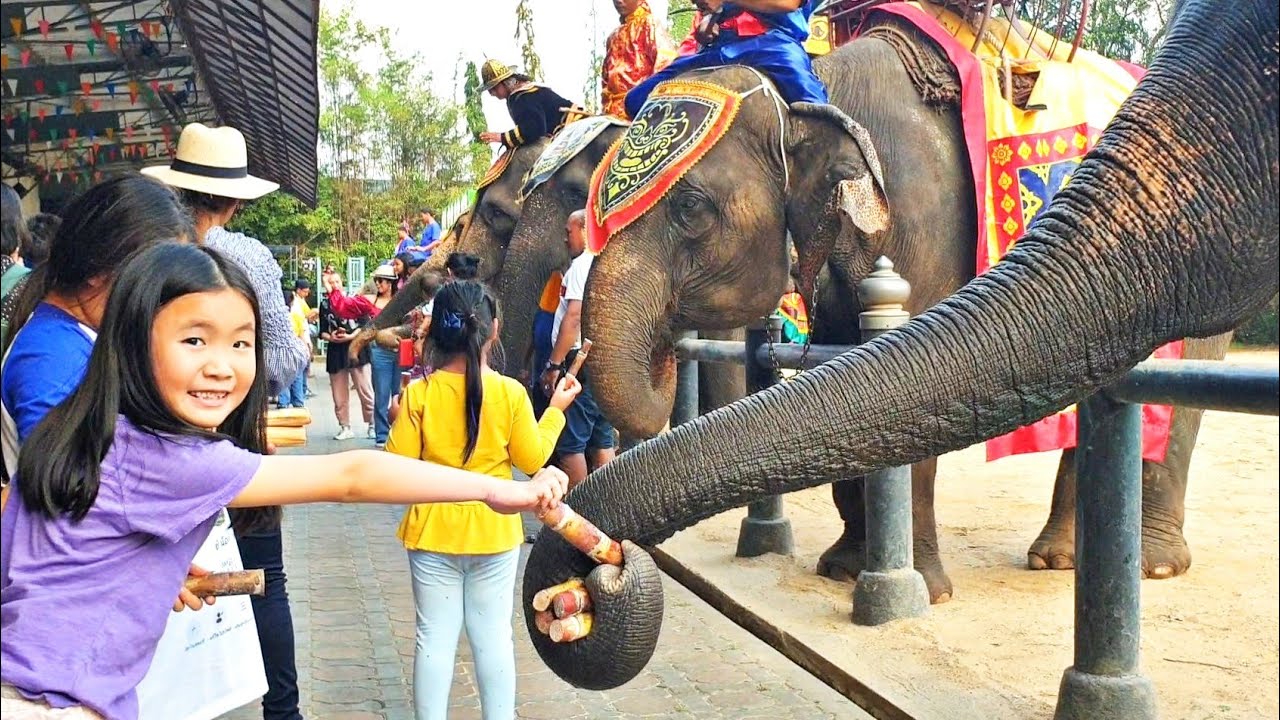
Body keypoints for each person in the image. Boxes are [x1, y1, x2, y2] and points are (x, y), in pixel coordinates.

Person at [0, 242, 569, 720]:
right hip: (59, 706)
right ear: (130, 339)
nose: (222, 364)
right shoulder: (177, 461)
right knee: (488, 639)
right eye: (193, 339)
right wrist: (498, 489)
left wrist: (137, 564)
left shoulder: (80, 430)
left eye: (240, 342)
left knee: (434, 638)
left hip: (23, 685)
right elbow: (351, 475)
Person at [141, 122, 311, 720]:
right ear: (236, 200)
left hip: (153, 442)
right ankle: (281, 711)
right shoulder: (247, 258)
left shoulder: (143, 258)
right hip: (237, 437)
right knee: (266, 578)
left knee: (161, 573)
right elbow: (287, 357)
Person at [386, 279, 580, 720]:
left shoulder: (419, 394)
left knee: (432, 637)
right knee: (492, 636)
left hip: (432, 532)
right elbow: (532, 459)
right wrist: (556, 411)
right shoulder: (510, 393)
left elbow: (395, 469)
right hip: (496, 532)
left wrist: (397, 420)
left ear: (436, 334)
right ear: (493, 330)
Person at [3, 176, 194, 492]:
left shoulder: (79, 337)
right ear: (96, 269)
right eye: (156, 284)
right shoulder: (52, 354)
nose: (163, 301)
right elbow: (70, 487)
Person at [624, 0, 827, 119]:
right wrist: (708, 21)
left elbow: (788, 3)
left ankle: (840, 175)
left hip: (770, 43)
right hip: (716, 51)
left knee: (812, 102)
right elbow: (712, 12)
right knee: (636, 100)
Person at [539, 210, 616, 488]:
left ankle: (577, 517)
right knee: (601, 439)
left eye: (568, 231)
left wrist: (555, 365)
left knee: (571, 443)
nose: (565, 238)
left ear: (585, 229)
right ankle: (608, 510)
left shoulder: (584, 265)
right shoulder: (606, 262)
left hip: (579, 364)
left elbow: (573, 317)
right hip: (604, 359)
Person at [323, 264, 401, 447]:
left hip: (401, 350)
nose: (377, 283)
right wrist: (332, 289)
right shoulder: (368, 302)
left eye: (381, 280)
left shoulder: (400, 299)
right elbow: (343, 307)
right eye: (376, 280)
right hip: (379, 351)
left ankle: (400, 432)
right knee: (381, 394)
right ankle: (381, 434)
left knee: (400, 394)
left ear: (390, 283)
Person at [477, 60, 582, 150]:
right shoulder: (527, 92)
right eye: (489, 90)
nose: (491, 93)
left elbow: (534, 128)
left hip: (574, 131)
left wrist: (501, 137)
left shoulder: (521, 97)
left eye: (494, 87)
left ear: (505, 82)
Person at [319, 290, 375, 441]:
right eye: (330, 283)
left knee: (365, 389)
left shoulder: (354, 300)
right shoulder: (325, 304)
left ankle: (372, 424)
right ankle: (345, 426)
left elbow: (365, 325)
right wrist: (331, 337)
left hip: (357, 348)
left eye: (336, 282)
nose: (333, 285)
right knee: (339, 393)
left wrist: (350, 336)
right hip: (336, 351)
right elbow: (322, 331)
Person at [602, 0, 672, 118]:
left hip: (639, 111)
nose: (618, 1)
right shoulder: (613, 37)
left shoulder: (650, 24)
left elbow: (665, 65)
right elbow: (605, 80)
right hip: (611, 113)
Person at [275, 289, 308, 410]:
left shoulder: (276, 318)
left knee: (283, 378)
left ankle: (283, 402)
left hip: (281, 352)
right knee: (297, 377)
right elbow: (302, 336)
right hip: (295, 350)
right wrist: (306, 351)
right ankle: (298, 402)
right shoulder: (297, 316)